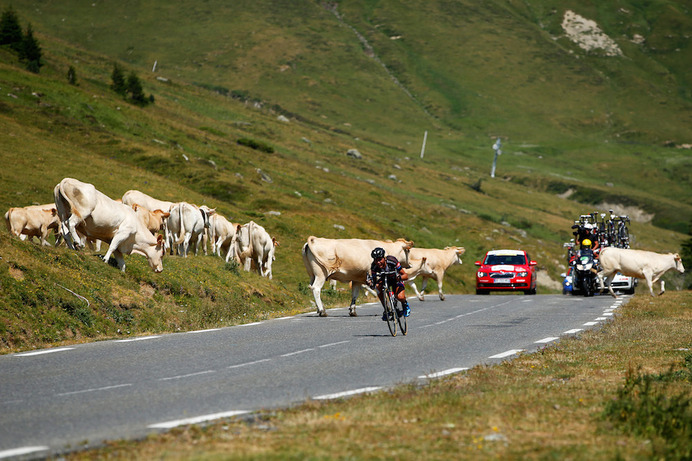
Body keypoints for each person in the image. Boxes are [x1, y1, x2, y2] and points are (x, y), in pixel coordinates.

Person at [367, 247, 411, 320]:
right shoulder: (374, 266)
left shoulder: (392, 261)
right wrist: (370, 284)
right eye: (375, 260)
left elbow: (405, 276)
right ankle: (387, 309)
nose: (378, 262)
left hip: (396, 279)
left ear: (384, 258)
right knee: (378, 286)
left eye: (379, 259)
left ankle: (404, 304)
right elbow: (374, 283)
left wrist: (399, 278)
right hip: (385, 280)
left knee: (400, 297)